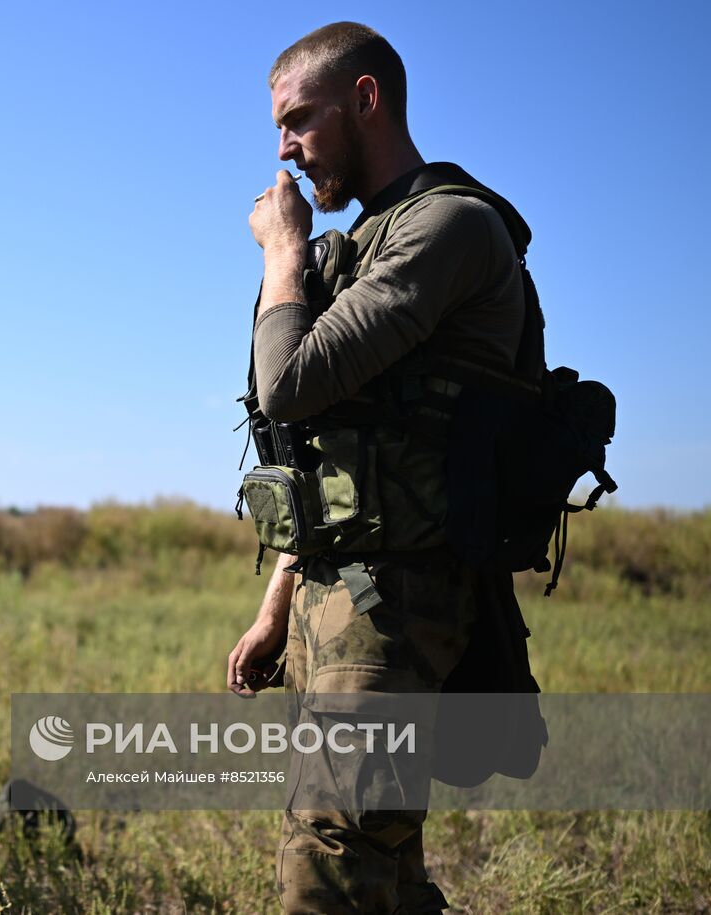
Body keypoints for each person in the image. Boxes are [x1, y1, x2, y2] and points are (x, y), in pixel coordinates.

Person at [225, 22, 542, 914]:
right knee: (383, 869)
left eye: (299, 121)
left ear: (366, 101)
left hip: (399, 607)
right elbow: (334, 451)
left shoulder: (448, 226)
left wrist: (283, 250)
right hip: (341, 598)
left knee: (331, 861)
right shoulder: (367, 240)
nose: (284, 150)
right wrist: (276, 605)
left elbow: (287, 384)